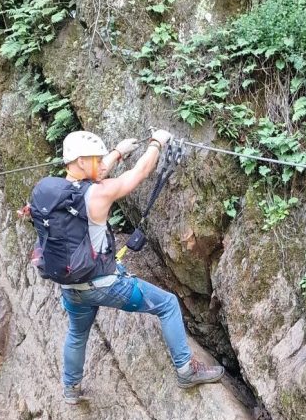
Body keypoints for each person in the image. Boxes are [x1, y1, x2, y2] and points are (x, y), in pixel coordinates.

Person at [29, 129, 223, 404]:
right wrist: (156, 143)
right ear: (82, 162)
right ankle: (185, 370)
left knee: (76, 333)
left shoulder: (49, 192)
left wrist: (118, 152)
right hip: (105, 285)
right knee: (167, 304)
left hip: (71, 287)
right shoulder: (99, 193)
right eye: (95, 159)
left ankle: (70, 390)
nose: (101, 164)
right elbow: (138, 174)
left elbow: (95, 173)